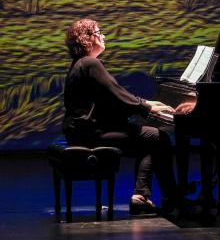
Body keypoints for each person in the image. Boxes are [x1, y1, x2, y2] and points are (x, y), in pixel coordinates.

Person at [62, 18, 182, 215]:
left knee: (152, 138)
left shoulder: (81, 63)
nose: (103, 36)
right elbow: (117, 96)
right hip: (90, 134)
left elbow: (113, 95)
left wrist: (147, 104)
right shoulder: (91, 63)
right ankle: (172, 197)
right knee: (157, 137)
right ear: (87, 38)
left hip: (81, 131)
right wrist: (147, 107)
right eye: (99, 32)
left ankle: (141, 196)